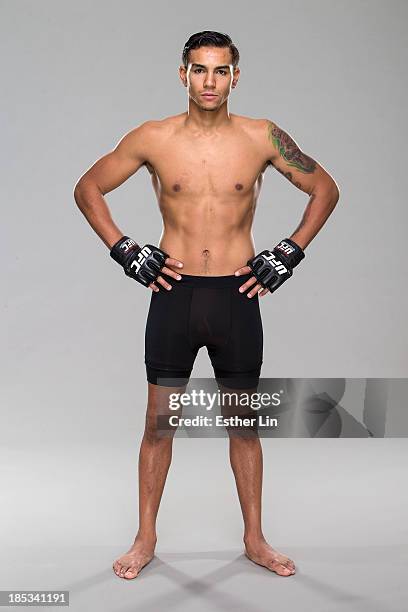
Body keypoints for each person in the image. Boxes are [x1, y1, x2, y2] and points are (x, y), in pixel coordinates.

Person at [73, 30, 339, 580]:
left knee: (244, 424)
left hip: (236, 296)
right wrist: (126, 251)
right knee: (159, 425)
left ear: (235, 77)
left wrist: (290, 252)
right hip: (174, 294)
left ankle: (255, 538)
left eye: (220, 71)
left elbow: (326, 189)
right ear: (183, 75)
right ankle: (145, 538)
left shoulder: (262, 137)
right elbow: (88, 188)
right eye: (199, 70)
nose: (210, 81)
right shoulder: (153, 137)